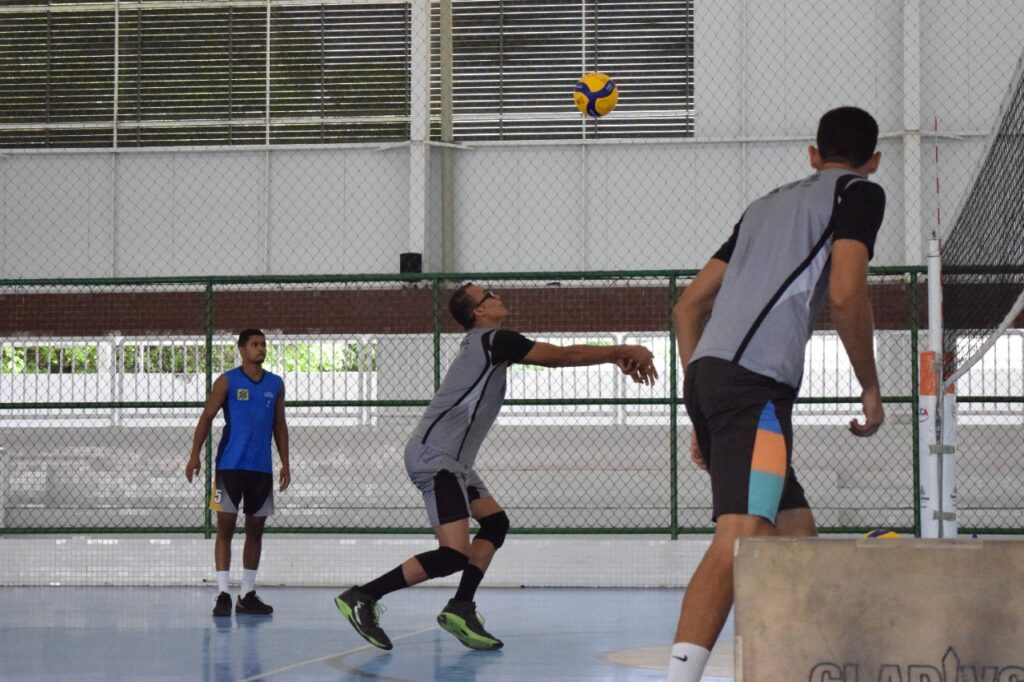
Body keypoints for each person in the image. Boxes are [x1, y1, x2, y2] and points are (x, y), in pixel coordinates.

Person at [668, 107, 887, 680]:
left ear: (812, 155)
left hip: (715, 377)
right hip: (754, 387)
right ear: (874, 161)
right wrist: (869, 385)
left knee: (794, 530)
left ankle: (802, 663)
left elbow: (687, 307)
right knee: (740, 537)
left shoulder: (762, 207)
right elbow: (845, 294)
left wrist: (701, 406)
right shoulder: (859, 195)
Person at [335, 283, 658, 651]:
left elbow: (562, 355)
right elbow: (561, 355)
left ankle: (461, 607)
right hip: (435, 459)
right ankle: (363, 597)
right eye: (488, 295)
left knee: (495, 523)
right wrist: (620, 349)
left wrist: (615, 356)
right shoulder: (493, 340)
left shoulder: (490, 345)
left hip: (454, 462)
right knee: (453, 553)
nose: (497, 296)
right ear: (478, 313)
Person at [185, 328, 291, 617]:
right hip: (230, 466)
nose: (261, 348)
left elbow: (279, 425)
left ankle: (246, 594)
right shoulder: (227, 381)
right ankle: (222, 593)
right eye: (255, 344)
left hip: (261, 469)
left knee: (256, 529)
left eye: (263, 344)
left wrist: (285, 462)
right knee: (226, 527)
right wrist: (195, 455)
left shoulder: (275, 383)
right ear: (242, 350)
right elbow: (206, 417)